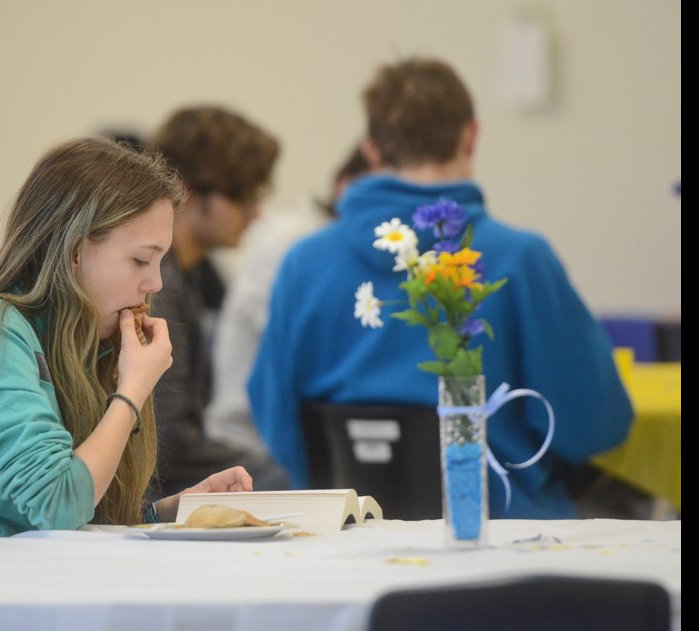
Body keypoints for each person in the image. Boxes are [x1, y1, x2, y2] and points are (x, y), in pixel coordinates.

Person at [248, 57, 633, 519]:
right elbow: (596, 426)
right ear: (471, 135)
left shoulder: (303, 264)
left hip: (343, 546)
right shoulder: (522, 259)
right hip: (505, 542)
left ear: (371, 150)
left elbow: (275, 422)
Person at [0, 136, 253, 543]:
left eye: (159, 262)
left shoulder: (82, 338)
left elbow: (77, 515)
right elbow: (56, 505)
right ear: (74, 252)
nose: (154, 283)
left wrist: (172, 513)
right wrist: (131, 392)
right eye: (140, 260)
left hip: (13, 582)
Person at [147, 106, 290, 498]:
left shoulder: (189, 279)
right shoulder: (158, 285)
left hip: (171, 477)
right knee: (282, 480)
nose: (256, 213)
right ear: (191, 193)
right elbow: (168, 443)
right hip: (155, 492)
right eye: (243, 197)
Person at [205, 145, 369, 455]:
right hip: (245, 443)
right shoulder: (296, 244)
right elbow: (293, 363)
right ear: (345, 186)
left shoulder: (317, 242)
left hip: (273, 435)